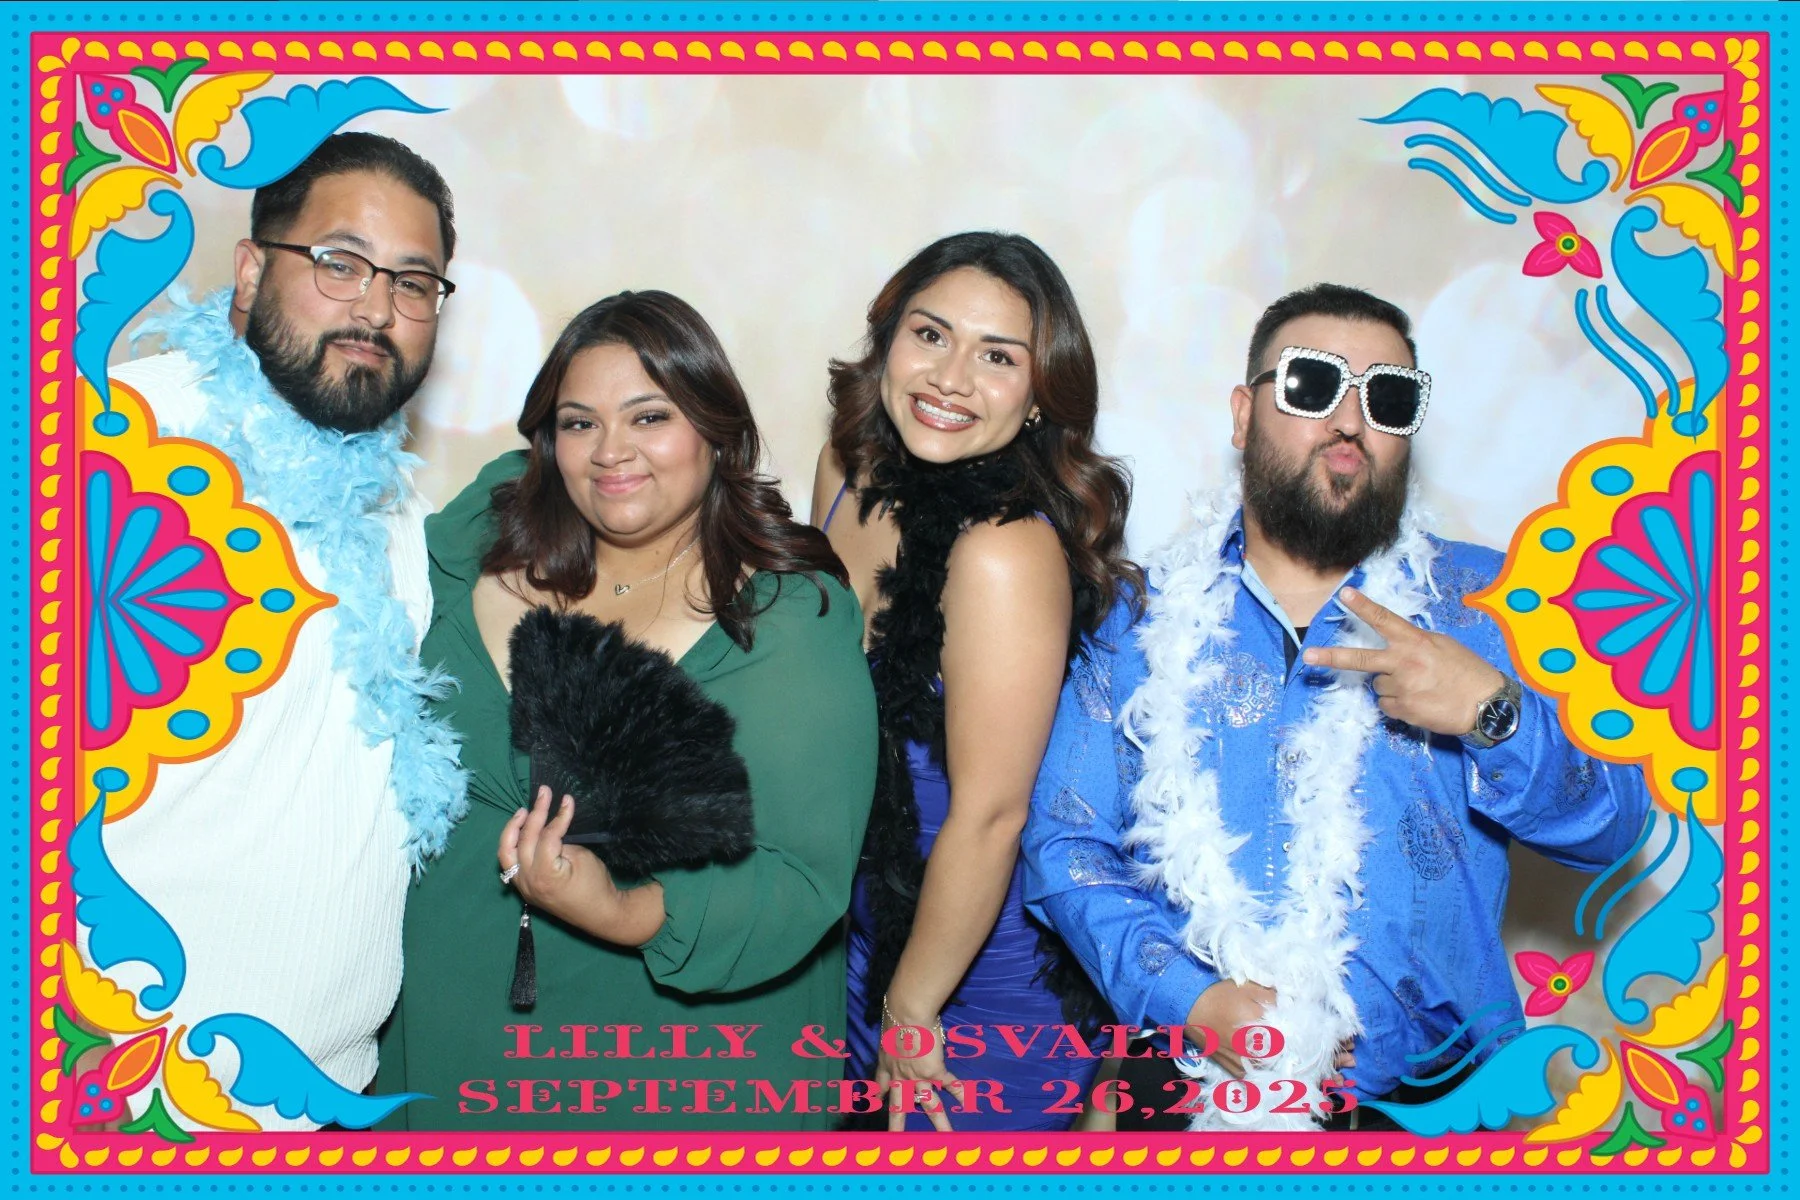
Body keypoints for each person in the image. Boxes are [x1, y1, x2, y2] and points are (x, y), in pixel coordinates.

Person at [1023, 283, 1653, 1132]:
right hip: (1185, 1101)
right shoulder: (1138, 618)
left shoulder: (1499, 601)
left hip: (1434, 1113)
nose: (1350, 421)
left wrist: (1491, 711)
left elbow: (1616, 828)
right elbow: (1065, 840)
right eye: (1313, 385)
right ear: (1243, 415)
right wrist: (1184, 995)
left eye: (1387, 398)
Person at [375, 290, 877, 1131]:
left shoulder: (791, 619)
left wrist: (618, 908)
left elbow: (803, 883)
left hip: (660, 1077)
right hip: (443, 1035)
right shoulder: (490, 526)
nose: (610, 452)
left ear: (716, 432)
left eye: (650, 417)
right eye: (579, 423)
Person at [85, 133, 464, 1131]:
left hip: (332, 1099)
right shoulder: (118, 440)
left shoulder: (400, 511)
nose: (376, 310)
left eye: (415, 282)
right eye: (338, 263)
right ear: (252, 270)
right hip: (134, 1098)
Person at [813, 232, 1140, 1131]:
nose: (951, 378)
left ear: (1039, 397)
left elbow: (991, 815)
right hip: (853, 925)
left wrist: (912, 1009)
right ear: (888, 341)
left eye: (998, 357)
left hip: (973, 973)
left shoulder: (1002, 550)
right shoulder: (847, 473)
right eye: (932, 335)